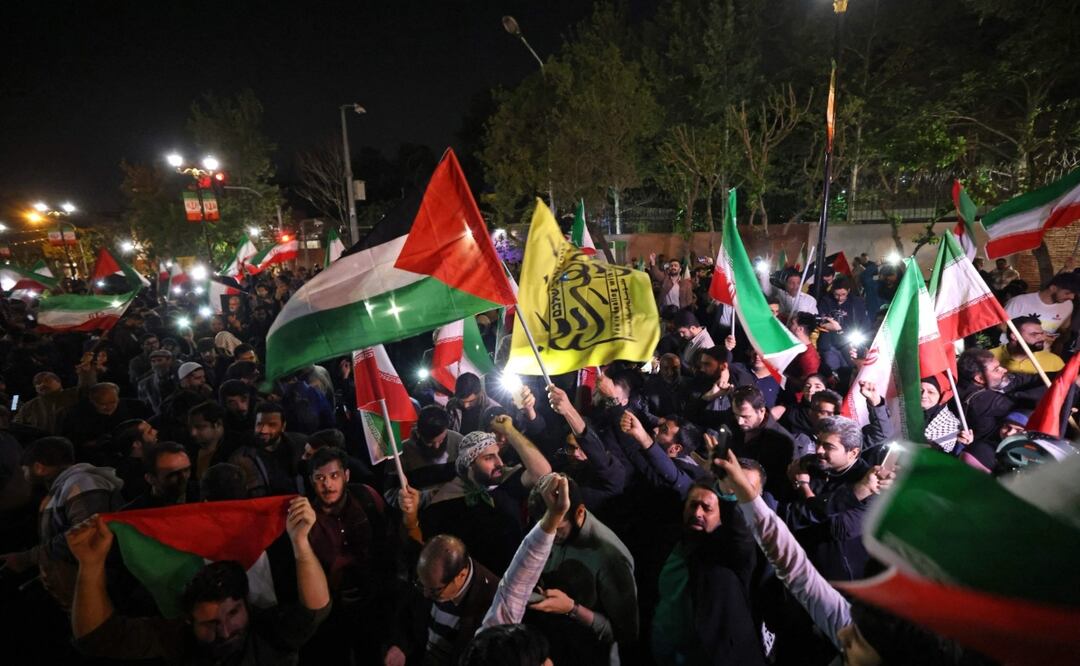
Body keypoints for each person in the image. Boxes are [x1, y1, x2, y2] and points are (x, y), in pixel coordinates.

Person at [713, 450, 972, 666]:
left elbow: (807, 554)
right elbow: (794, 568)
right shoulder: (851, 627)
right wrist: (742, 491)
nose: (844, 636)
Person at [67, 496, 332, 664]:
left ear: (246, 605)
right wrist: (90, 566)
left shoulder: (266, 633)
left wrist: (301, 543)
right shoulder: (176, 641)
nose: (226, 631)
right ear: (187, 619)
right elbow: (98, 638)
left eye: (233, 614)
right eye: (210, 623)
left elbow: (314, 612)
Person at [651, 475, 764, 665]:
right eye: (693, 505)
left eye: (707, 508)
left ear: (722, 516)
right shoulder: (669, 541)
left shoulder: (729, 552)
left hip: (709, 655)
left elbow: (740, 536)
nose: (697, 513)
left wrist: (727, 495)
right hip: (665, 644)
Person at [0, 436, 124, 606]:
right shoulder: (68, 485)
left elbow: (84, 536)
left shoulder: (81, 485)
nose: (24, 476)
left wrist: (27, 558)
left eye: (24, 470)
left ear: (38, 467)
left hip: (95, 584)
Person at [422, 417, 552, 574]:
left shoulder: (506, 481)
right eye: (489, 457)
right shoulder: (445, 503)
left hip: (519, 574)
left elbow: (542, 472)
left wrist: (510, 431)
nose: (500, 463)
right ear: (469, 464)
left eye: (498, 454)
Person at [304, 446, 392, 665]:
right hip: (330, 612)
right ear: (311, 480)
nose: (327, 484)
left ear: (346, 475)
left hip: (371, 602)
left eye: (334, 476)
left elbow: (388, 544)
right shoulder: (306, 517)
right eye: (320, 478)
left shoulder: (367, 498)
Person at [782, 416, 893, 581]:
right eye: (818, 443)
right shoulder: (808, 466)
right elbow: (787, 516)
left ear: (853, 452)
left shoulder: (870, 484)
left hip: (840, 576)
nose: (818, 450)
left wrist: (803, 488)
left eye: (828, 446)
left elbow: (837, 529)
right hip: (797, 564)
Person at [385, 534, 500, 666]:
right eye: (421, 585)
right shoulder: (429, 572)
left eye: (434, 590)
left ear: (460, 576)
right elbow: (407, 615)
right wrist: (400, 646)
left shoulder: (492, 604)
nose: (426, 594)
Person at [956, 349, 1046, 469]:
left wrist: (1062, 375)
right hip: (990, 455)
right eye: (996, 369)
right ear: (980, 379)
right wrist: (1065, 387)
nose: (1004, 370)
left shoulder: (979, 382)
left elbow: (1018, 380)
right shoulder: (984, 401)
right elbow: (1025, 404)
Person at [726, 385, 798, 502]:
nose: (740, 421)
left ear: (761, 411)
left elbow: (783, 485)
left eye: (745, 417)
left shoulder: (782, 441)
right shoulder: (733, 426)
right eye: (736, 415)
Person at [230, 402, 307, 497]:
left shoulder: (300, 446)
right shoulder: (241, 457)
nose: (263, 430)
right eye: (259, 424)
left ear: (283, 427)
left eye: (271, 425)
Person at [1003, 272, 1078, 341]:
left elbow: (1063, 328)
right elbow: (1001, 326)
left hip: (1041, 353)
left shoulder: (1068, 305)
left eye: (1074, 293)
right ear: (1053, 288)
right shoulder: (1019, 301)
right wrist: (1033, 336)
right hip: (1012, 351)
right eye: (1067, 293)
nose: (1072, 297)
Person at [124, 441, 193, 509]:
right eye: (173, 474)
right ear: (150, 479)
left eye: (186, 470)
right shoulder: (131, 514)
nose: (183, 477)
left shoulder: (201, 497)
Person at [990, 315, 1065, 374]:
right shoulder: (989, 357)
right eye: (1034, 334)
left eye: (1042, 333)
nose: (1041, 338)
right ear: (1014, 336)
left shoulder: (1054, 361)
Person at [187, 401, 239, 483]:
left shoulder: (236, 450)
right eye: (191, 427)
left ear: (217, 424)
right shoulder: (190, 449)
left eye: (199, 427)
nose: (193, 433)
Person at [920, 377, 973, 455]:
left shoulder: (952, 425)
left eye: (931, 392)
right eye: (920, 390)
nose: (923, 395)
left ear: (941, 396)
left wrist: (960, 443)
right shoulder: (900, 406)